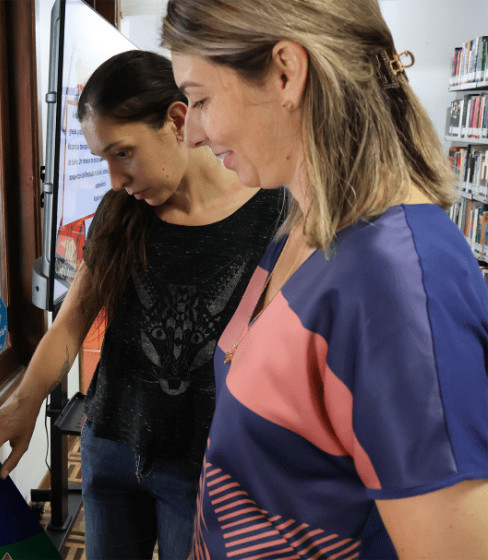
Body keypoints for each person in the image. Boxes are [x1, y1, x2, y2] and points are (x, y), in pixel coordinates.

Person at [161, 1, 488, 558]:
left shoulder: (400, 283)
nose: (190, 133)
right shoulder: (304, 223)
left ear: (286, 73)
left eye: (201, 99)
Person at [0, 50, 285, 559]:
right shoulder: (120, 211)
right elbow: (70, 324)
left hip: (201, 467)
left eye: (123, 153)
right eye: (104, 160)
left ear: (176, 121)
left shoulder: (273, 212)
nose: (116, 179)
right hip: (110, 447)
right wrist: (22, 406)